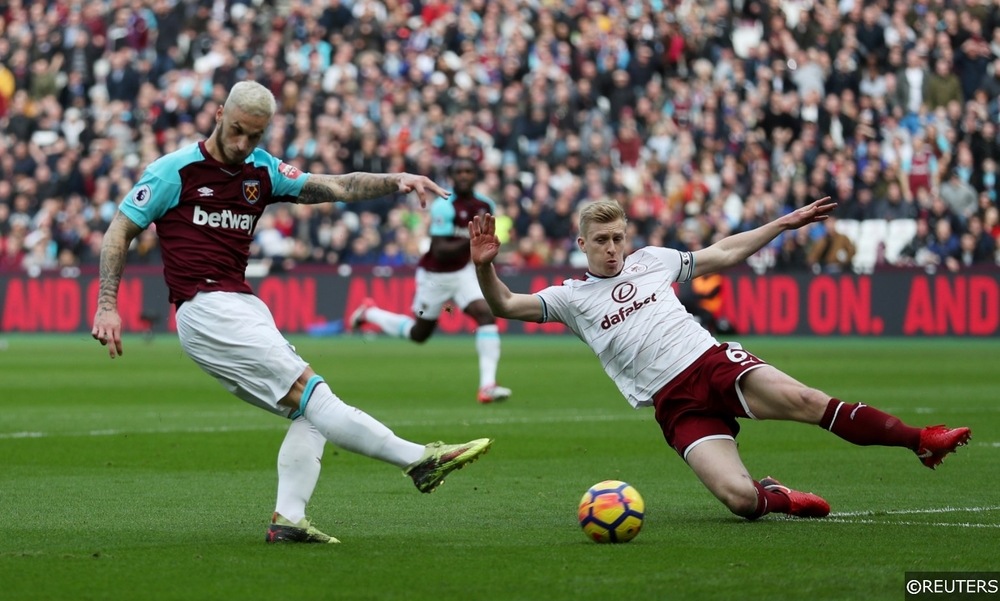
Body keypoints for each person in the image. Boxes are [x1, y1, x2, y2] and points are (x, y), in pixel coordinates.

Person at [91, 81, 493, 544]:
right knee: (315, 397)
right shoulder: (174, 171)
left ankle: (288, 519)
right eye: (237, 130)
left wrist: (395, 181)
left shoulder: (262, 170)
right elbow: (119, 230)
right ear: (219, 113)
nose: (244, 145)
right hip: (207, 307)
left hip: (241, 305)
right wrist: (107, 304)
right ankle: (419, 460)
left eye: (255, 137)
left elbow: (335, 185)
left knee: (309, 413)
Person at [468, 198, 971, 520]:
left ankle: (919, 440)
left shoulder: (652, 261)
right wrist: (485, 269)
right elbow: (505, 305)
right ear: (582, 245)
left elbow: (723, 253)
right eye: (601, 240)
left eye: (619, 236)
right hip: (675, 402)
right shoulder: (571, 298)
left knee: (805, 398)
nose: (613, 247)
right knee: (740, 500)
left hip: (712, 362)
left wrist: (783, 223)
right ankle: (777, 495)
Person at [350, 157, 511, 404]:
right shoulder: (443, 206)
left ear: (475, 175)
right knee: (419, 334)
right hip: (435, 277)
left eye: (469, 171)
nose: (465, 175)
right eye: (460, 171)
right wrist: (472, 242)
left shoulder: (485, 204)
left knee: (485, 315)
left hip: (463, 272)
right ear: (453, 176)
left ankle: (487, 386)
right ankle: (370, 314)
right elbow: (440, 250)